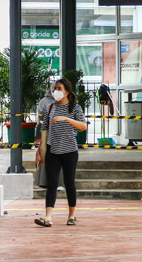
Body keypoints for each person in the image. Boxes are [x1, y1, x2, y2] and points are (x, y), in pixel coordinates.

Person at [35, 78, 88, 228]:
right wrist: (40, 150)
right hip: (53, 151)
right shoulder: (50, 107)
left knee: (69, 183)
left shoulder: (75, 108)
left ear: (67, 92)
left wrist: (66, 119)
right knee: (52, 184)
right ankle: (48, 217)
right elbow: (44, 129)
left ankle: (71, 216)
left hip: (70, 151)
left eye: (59, 88)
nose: (55, 91)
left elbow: (83, 126)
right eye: (54, 88)